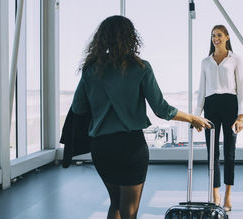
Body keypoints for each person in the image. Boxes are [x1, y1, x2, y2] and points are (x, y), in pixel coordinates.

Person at [71, 15, 210, 219]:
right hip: (130, 146)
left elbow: (78, 107)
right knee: (130, 210)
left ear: (102, 39)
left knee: (115, 204)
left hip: (101, 147)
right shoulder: (141, 67)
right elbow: (161, 109)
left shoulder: (91, 69)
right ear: (131, 38)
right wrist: (192, 118)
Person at [194, 25, 243, 212]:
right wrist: (195, 116)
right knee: (212, 153)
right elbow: (201, 90)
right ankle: (215, 194)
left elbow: (241, 89)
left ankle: (228, 195)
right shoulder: (205, 62)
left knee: (230, 153)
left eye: (219, 35)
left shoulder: (236, 60)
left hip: (230, 105)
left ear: (227, 37)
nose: (216, 38)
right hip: (211, 106)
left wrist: (241, 116)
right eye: (213, 35)